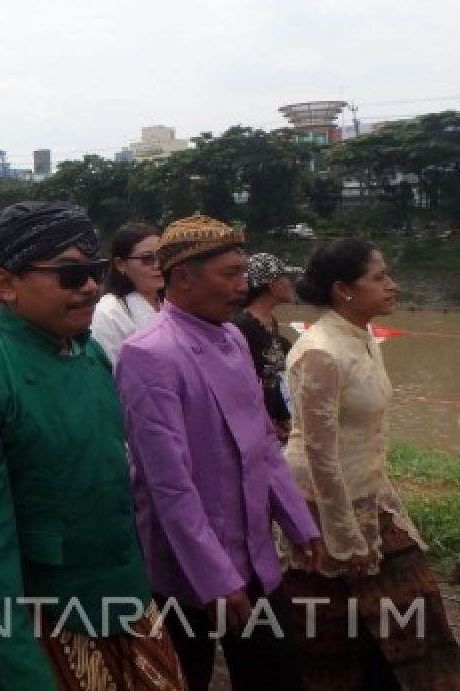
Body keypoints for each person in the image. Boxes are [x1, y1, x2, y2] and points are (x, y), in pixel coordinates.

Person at [0, 202, 184, 691]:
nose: (88, 286)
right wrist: (23, 674)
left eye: (94, 271)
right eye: (69, 274)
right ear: (5, 285)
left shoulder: (89, 353)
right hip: (38, 619)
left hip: (122, 597)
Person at [115, 215, 323, 691]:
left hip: (252, 546)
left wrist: (297, 520)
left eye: (242, 272)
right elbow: (168, 481)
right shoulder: (149, 353)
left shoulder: (232, 336)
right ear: (184, 278)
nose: (241, 286)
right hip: (188, 560)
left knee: (278, 670)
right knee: (185, 674)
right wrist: (213, 576)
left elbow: (262, 443)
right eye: (229, 274)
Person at [279, 238, 460, 689]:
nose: (393, 286)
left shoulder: (362, 338)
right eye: (379, 278)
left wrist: (387, 503)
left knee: (415, 616)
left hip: (370, 494)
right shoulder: (320, 350)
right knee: (333, 634)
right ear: (343, 290)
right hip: (323, 506)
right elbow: (321, 454)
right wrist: (343, 539)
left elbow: (368, 438)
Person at [231, 253, 299, 444]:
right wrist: (266, 421)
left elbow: (275, 377)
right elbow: (242, 384)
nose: (290, 284)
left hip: (275, 424)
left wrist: (283, 416)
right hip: (255, 426)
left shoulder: (270, 322)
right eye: (286, 278)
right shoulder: (242, 326)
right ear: (271, 285)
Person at [91, 222, 164, 366]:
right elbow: (111, 370)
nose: (158, 265)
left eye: (162, 256)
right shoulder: (108, 313)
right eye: (147, 259)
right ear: (121, 264)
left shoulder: (171, 304)